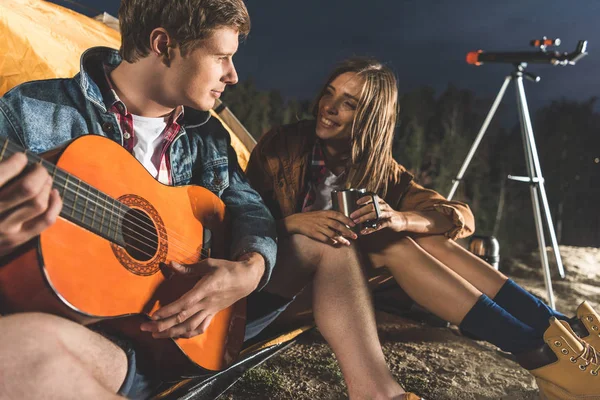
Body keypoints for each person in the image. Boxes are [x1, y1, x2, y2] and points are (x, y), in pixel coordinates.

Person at [245, 57, 600, 400]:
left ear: (371, 117)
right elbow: (241, 222)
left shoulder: (383, 172)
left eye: (348, 103)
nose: (329, 107)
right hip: (277, 283)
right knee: (392, 245)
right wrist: (294, 224)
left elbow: (457, 216)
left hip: (339, 293)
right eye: (329, 93)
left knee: (414, 236)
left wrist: (400, 218)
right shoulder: (284, 147)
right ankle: (538, 351)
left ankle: (557, 329)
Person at [0, 1, 278, 399]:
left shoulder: (208, 137)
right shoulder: (30, 111)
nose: (232, 75)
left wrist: (248, 271)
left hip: (186, 343)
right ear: (164, 44)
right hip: (93, 341)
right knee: (20, 351)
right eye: (221, 57)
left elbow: (252, 211)